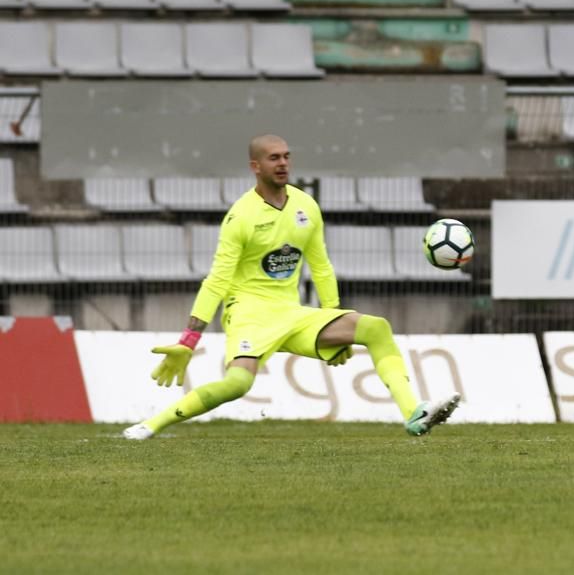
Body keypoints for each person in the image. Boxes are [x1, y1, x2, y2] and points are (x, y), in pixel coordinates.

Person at [123, 134, 460, 440]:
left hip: (292, 313)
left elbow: (321, 266)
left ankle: (414, 414)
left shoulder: (305, 206)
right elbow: (217, 280)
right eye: (273, 158)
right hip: (250, 313)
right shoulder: (241, 217)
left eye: (286, 156)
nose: (283, 163)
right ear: (255, 166)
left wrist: (333, 317)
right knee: (238, 384)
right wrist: (189, 340)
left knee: (375, 328)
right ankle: (151, 424)